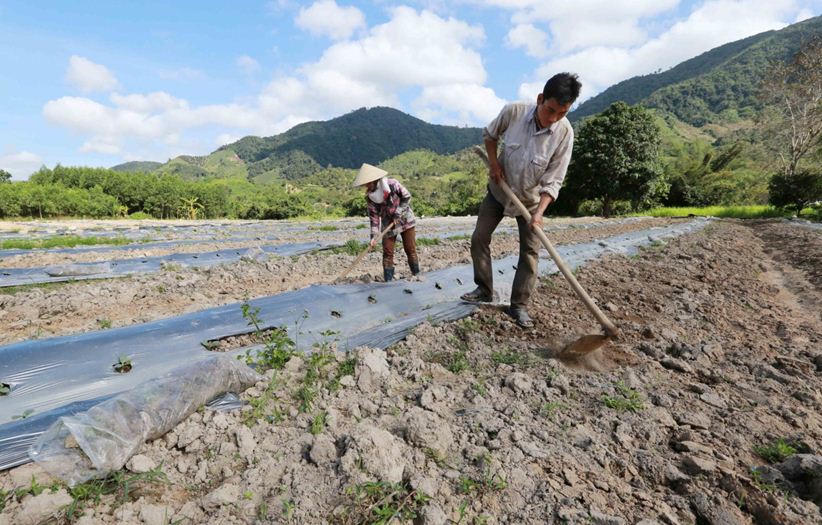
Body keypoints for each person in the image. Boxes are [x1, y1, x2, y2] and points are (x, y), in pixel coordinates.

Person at [461, 72, 582, 328]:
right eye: (550, 110)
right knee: (479, 237)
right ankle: (484, 289)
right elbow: (490, 135)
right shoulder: (514, 112)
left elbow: (554, 179)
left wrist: (539, 213)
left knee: (530, 252)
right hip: (499, 192)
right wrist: (494, 164)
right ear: (540, 99)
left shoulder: (564, 133)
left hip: (530, 201)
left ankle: (519, 305)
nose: (553, 119)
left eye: (562, 113)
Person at [352, 163, 419, 282]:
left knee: (410, 249)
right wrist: (373, 237)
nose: (366, 186)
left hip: (405, 219)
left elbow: (407, 197)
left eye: (367, 183)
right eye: (364, 184)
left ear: (373, 180)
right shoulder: (370, 198)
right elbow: (374, 218)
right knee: (387, 252)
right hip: (388, 223)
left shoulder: (392, 184)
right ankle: (388, 282)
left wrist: (398, 212)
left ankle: (417, 275)